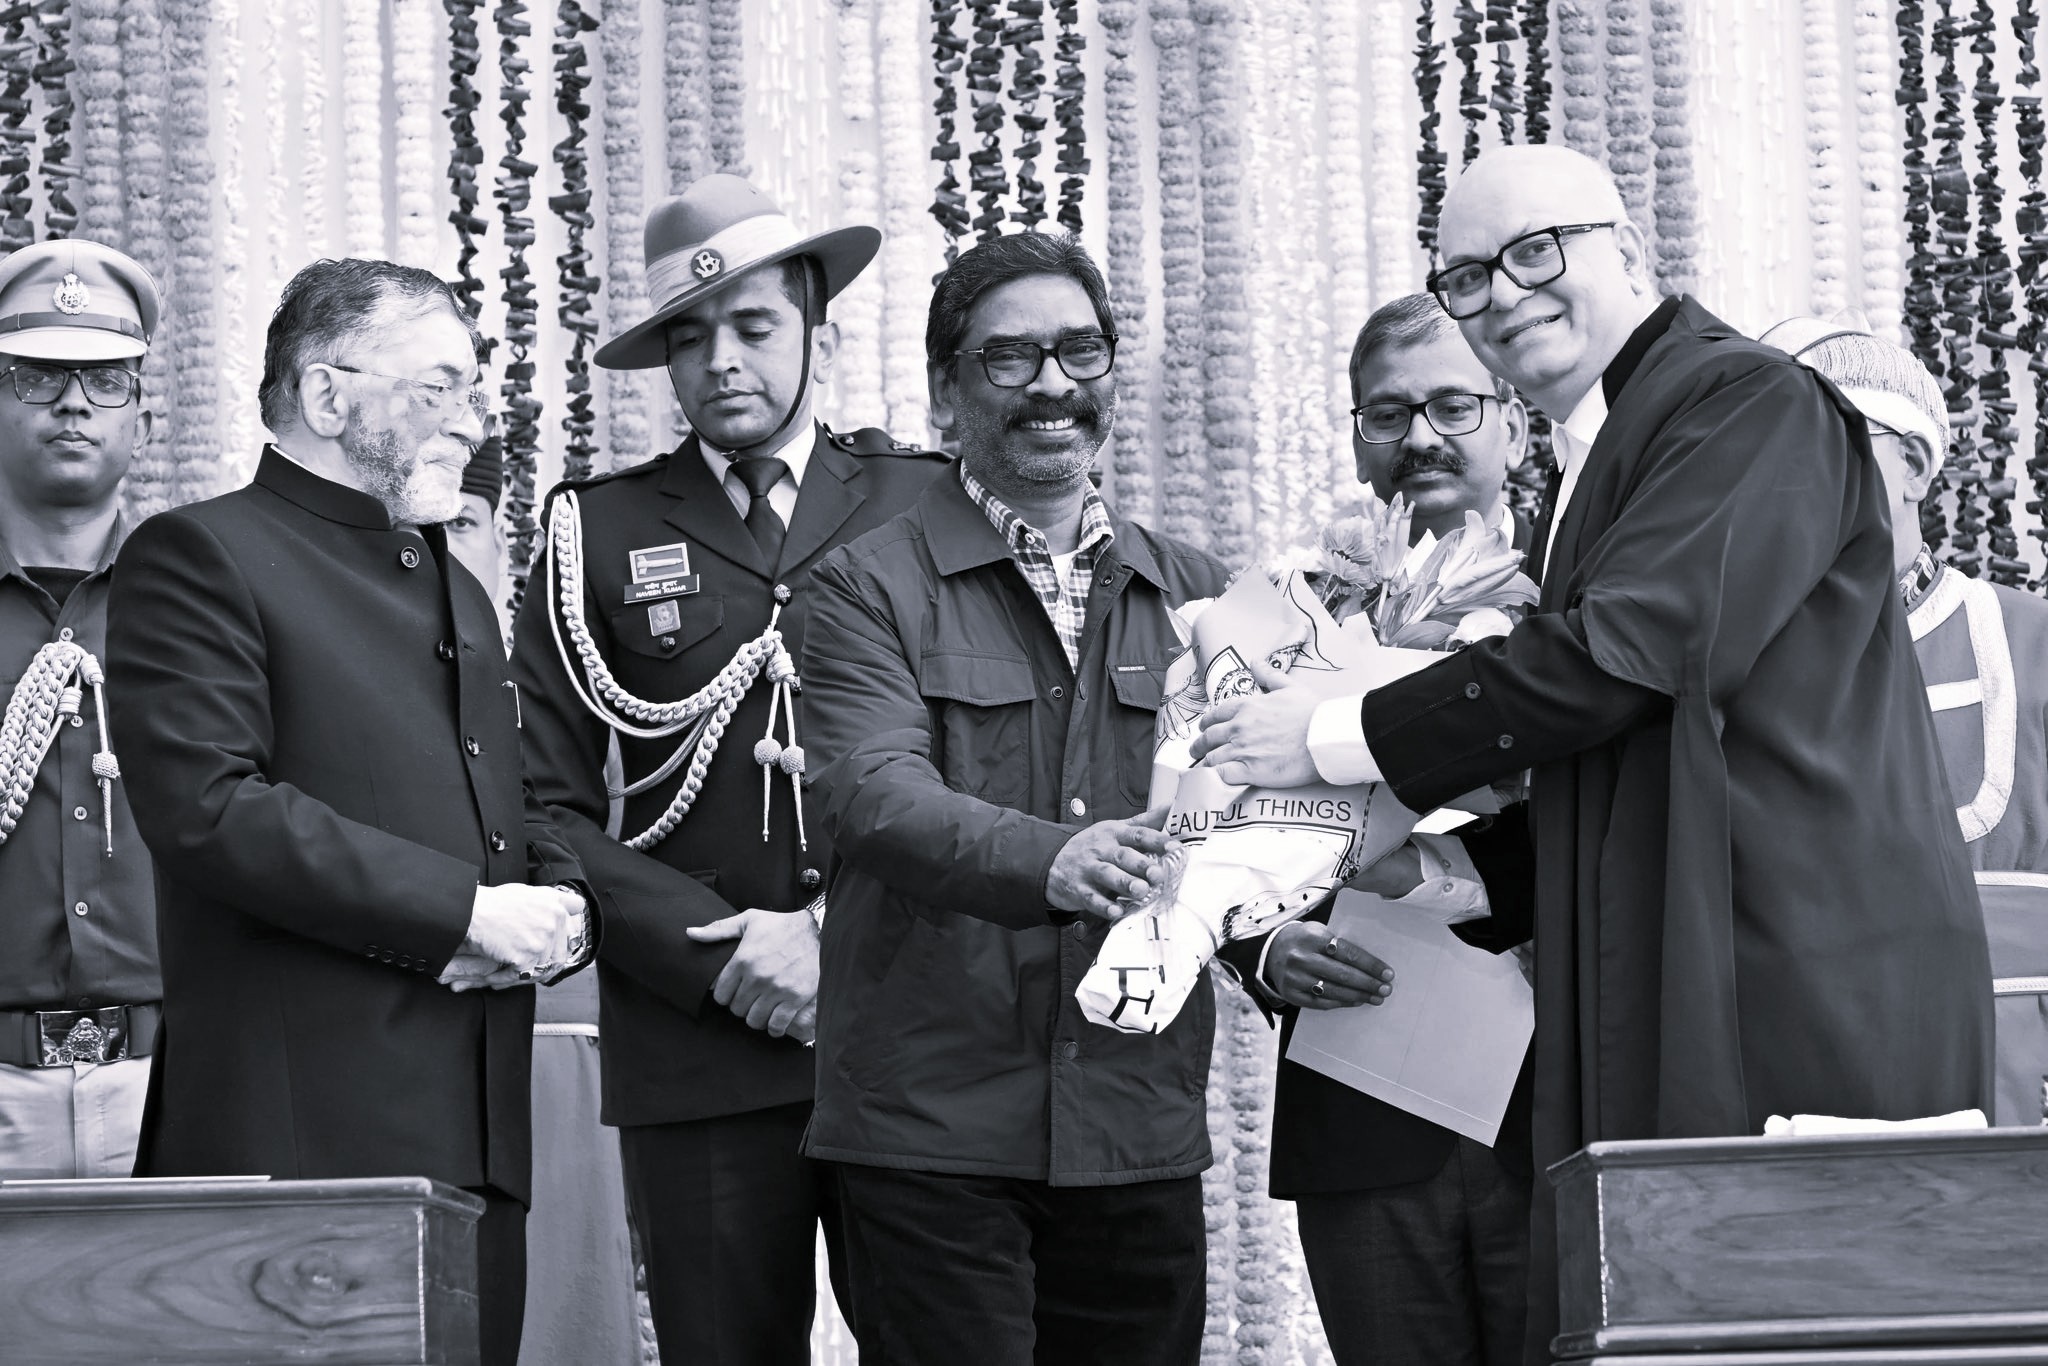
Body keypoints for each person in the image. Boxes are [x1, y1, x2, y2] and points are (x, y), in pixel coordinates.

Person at [1190, 144, 1992, 1363]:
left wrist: (1324, 738)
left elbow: (1628, 654)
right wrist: (1407, 876)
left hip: (1784, 967)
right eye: (1466, 275)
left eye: (1532, 252)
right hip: (1655, 972)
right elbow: (1608, 762)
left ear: (1627, 249)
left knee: (1781, 1324)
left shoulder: (1743, 402)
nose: (1502, 294)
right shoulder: (1606, 453)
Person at [106, 258, 593, 1366]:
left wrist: (570, 910)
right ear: (328, 396)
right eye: (439, 388)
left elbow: (512, 804)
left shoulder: (454, 583)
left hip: (476, 1148)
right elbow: (211, 810)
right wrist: (463, 915)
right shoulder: (201, 553)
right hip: (304, 1147)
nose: (470, 422)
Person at [508, 173, 948, 1365]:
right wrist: (725, 957)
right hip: (699, 1033)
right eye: (688, 339)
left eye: (753, 326)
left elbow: (984, 764)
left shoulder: (926, 499)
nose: (721, 362)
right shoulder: (593, 529)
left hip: (911, 1029)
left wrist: (829, 939)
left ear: (819, 330)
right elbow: (541, 799)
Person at [798, 231, 1230, 1365]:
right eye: (1010, 359)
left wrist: (1271, 952)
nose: (1053, 384)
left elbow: (1235, 827)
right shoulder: (860, 584)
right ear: (946, 392)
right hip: (930, 1137)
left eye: (1079, 352)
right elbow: (866, 790)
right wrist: (1051, 860)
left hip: (1134, 1129)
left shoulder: (1198, 592)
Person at [1213, 292, 1536, 1365]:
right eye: (1388, 412)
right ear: (1355, 433)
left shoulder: (1581, 603)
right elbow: (1199, 815)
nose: (1420, 437)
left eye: (1453, 404)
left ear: (1514, 421)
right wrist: (1262, 943)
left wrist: (1431, 873)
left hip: (1553, 1110)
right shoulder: (1282, 610)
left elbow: (1620, 818)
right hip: (1361, 1101)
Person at [1761, 311, 2048, 1128]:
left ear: (1913, 463)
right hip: (1809, 1097)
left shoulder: (2033, 644)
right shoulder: (1727, 681)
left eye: (1807, 454)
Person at [444, 436, 639, 1366]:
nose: (439, 548)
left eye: (462, 524)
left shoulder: (564, 667)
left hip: (564, 1052)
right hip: (410, 1041)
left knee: (566, 1321)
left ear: (497, 538)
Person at [0, 240, 161, 1179]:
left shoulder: (207, 603)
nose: (73, 403)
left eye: (104, 379)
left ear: (140, 412)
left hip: (170, 1075)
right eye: (37, 375)